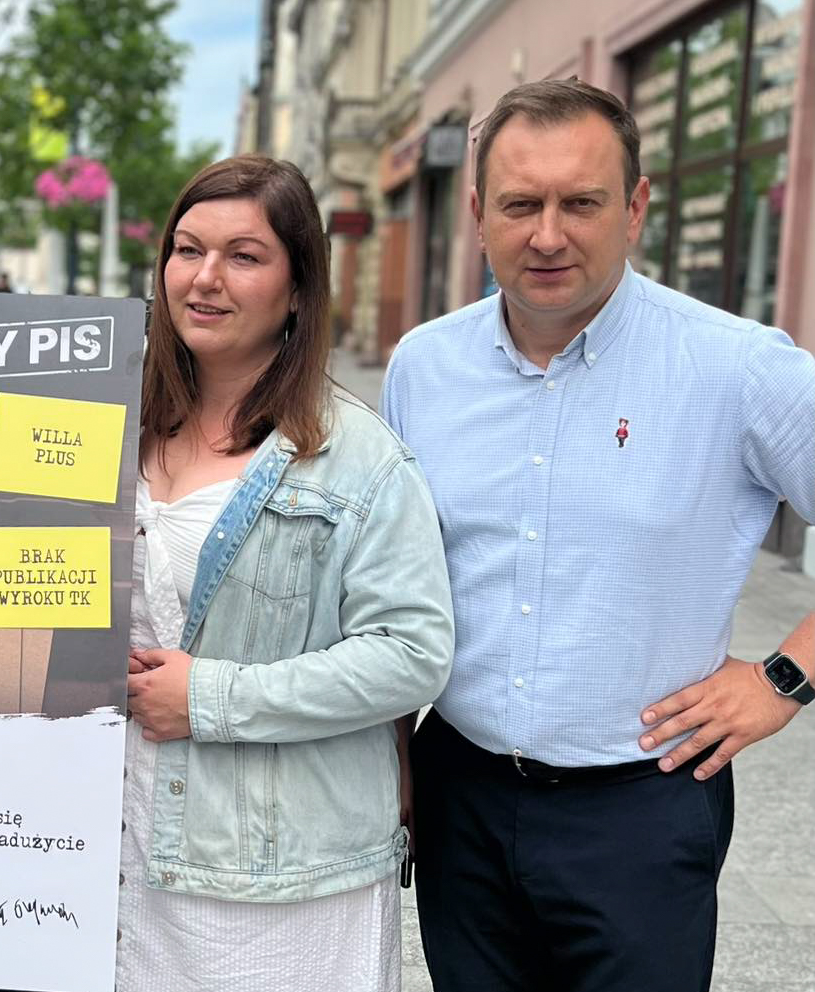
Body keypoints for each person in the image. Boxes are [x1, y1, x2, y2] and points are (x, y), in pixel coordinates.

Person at [381, 78, 815, 992]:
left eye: (580, 203)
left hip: (641, 811)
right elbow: (390, 580)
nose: (547, 235)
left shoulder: (735, 367)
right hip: (458, 792)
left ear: (635, 206)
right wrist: (392, 756)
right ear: (477, 214)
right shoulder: (423, 366)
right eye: (519, 205)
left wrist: (784, 678)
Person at [119, 155, 454, 991]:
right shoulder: (105, 419)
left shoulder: (360, 459)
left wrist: (210, 697)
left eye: (243, 256)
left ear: (298, 288)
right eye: (187, 249)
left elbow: (411, 654)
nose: (204, 278)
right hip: (112, 848)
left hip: (272, 876)